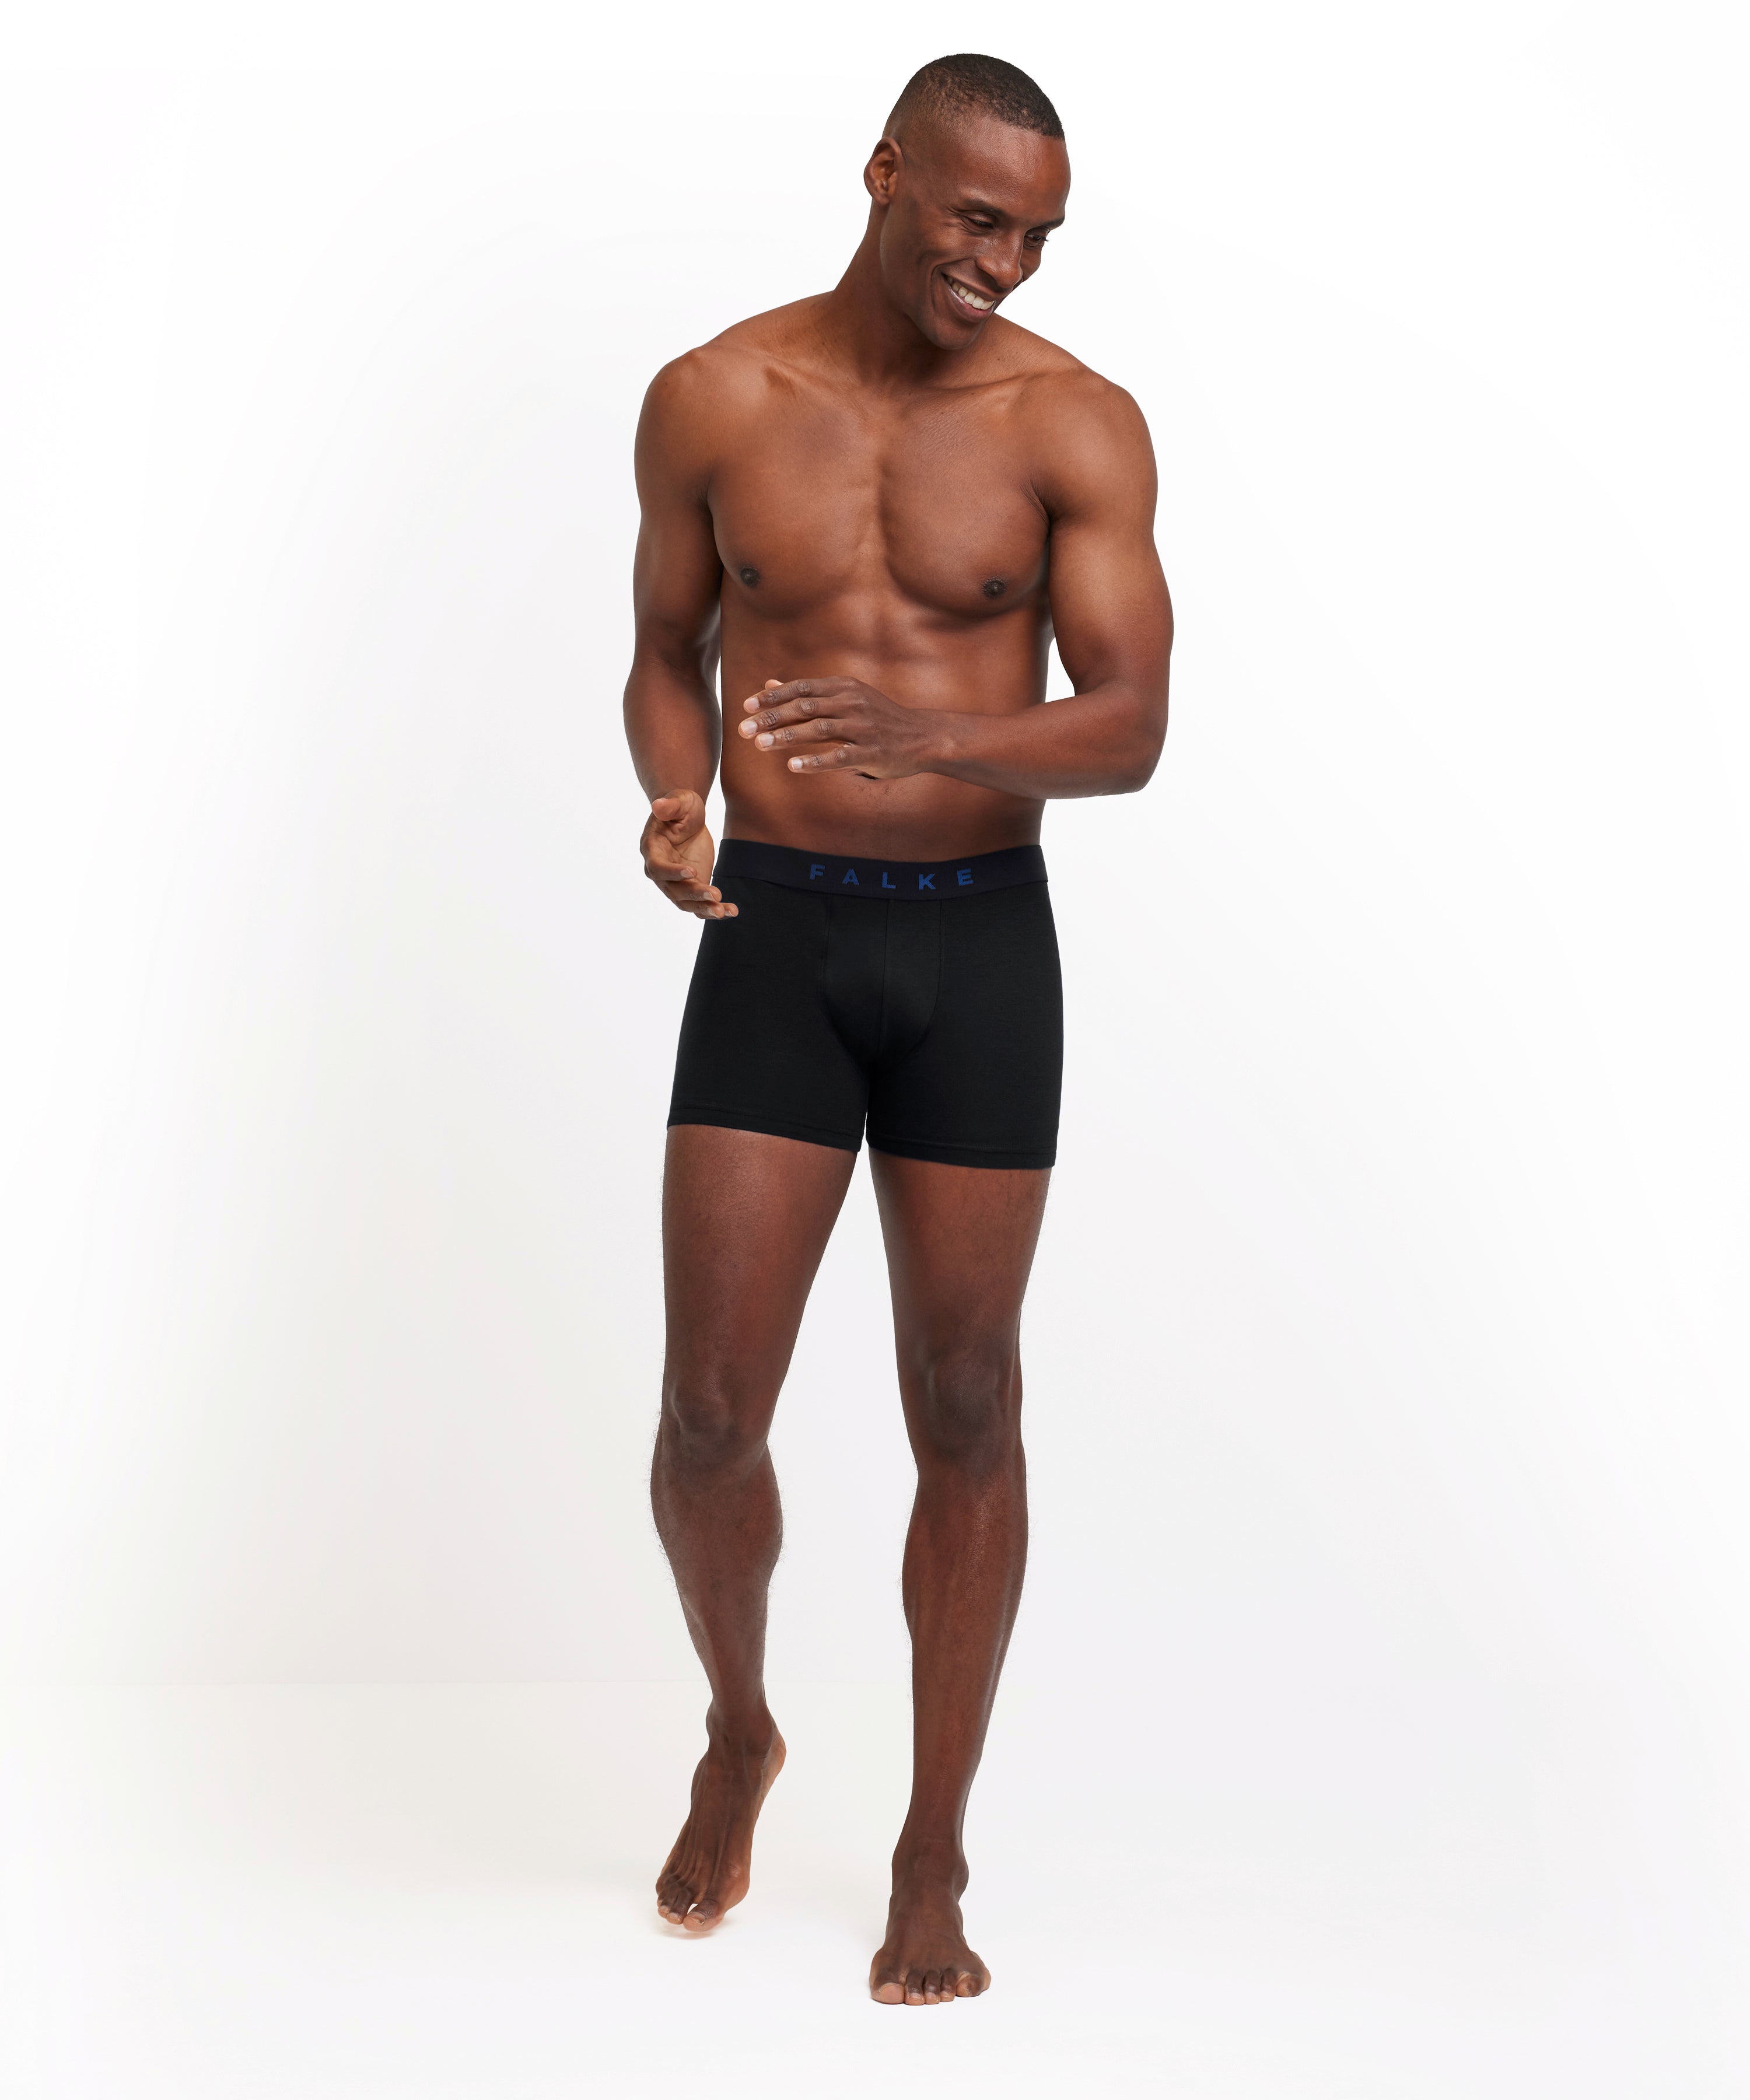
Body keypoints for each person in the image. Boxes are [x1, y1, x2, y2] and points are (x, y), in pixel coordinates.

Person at [622, 51, 1171, 2006]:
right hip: (773, 933)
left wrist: (939, 733)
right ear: (886, 172)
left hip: (977, 950)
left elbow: (1130, 724)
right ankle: (740, 1726)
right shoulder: (715, 396)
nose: (1004, 265)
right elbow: (666, 651)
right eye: (977, 218)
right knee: (708, 1418)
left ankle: (933, 1849)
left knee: (967, 1403)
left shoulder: (1074, 423)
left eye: (1037, 237)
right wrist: (676, 798)